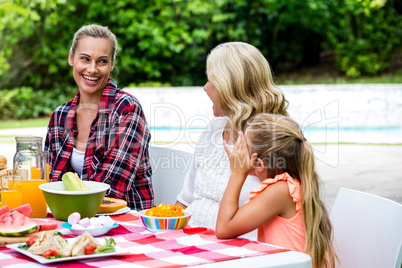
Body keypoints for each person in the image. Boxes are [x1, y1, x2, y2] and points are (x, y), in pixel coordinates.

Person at [176, 42, 289, 229]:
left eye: (212, 81)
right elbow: (185, 200)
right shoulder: (214, 129)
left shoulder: (274, 142)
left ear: (231, 87)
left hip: (241, 251)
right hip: (191, 244)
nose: (205, 87)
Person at [44, 24, 153, 210]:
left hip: (126, 223)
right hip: (73, 218)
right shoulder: (59, 116)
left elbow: (109, 190)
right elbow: (50, 182)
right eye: (85, 59)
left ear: (111, 65)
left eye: (102, 61)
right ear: (71, 58)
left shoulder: (126, 109)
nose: (92, 69)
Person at [216, 113, 338, 268]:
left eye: (242, 148)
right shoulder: (291, 185)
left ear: (259, 164)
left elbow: (224, 228)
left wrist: (237, 173)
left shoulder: (281, 190)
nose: (237, 152)